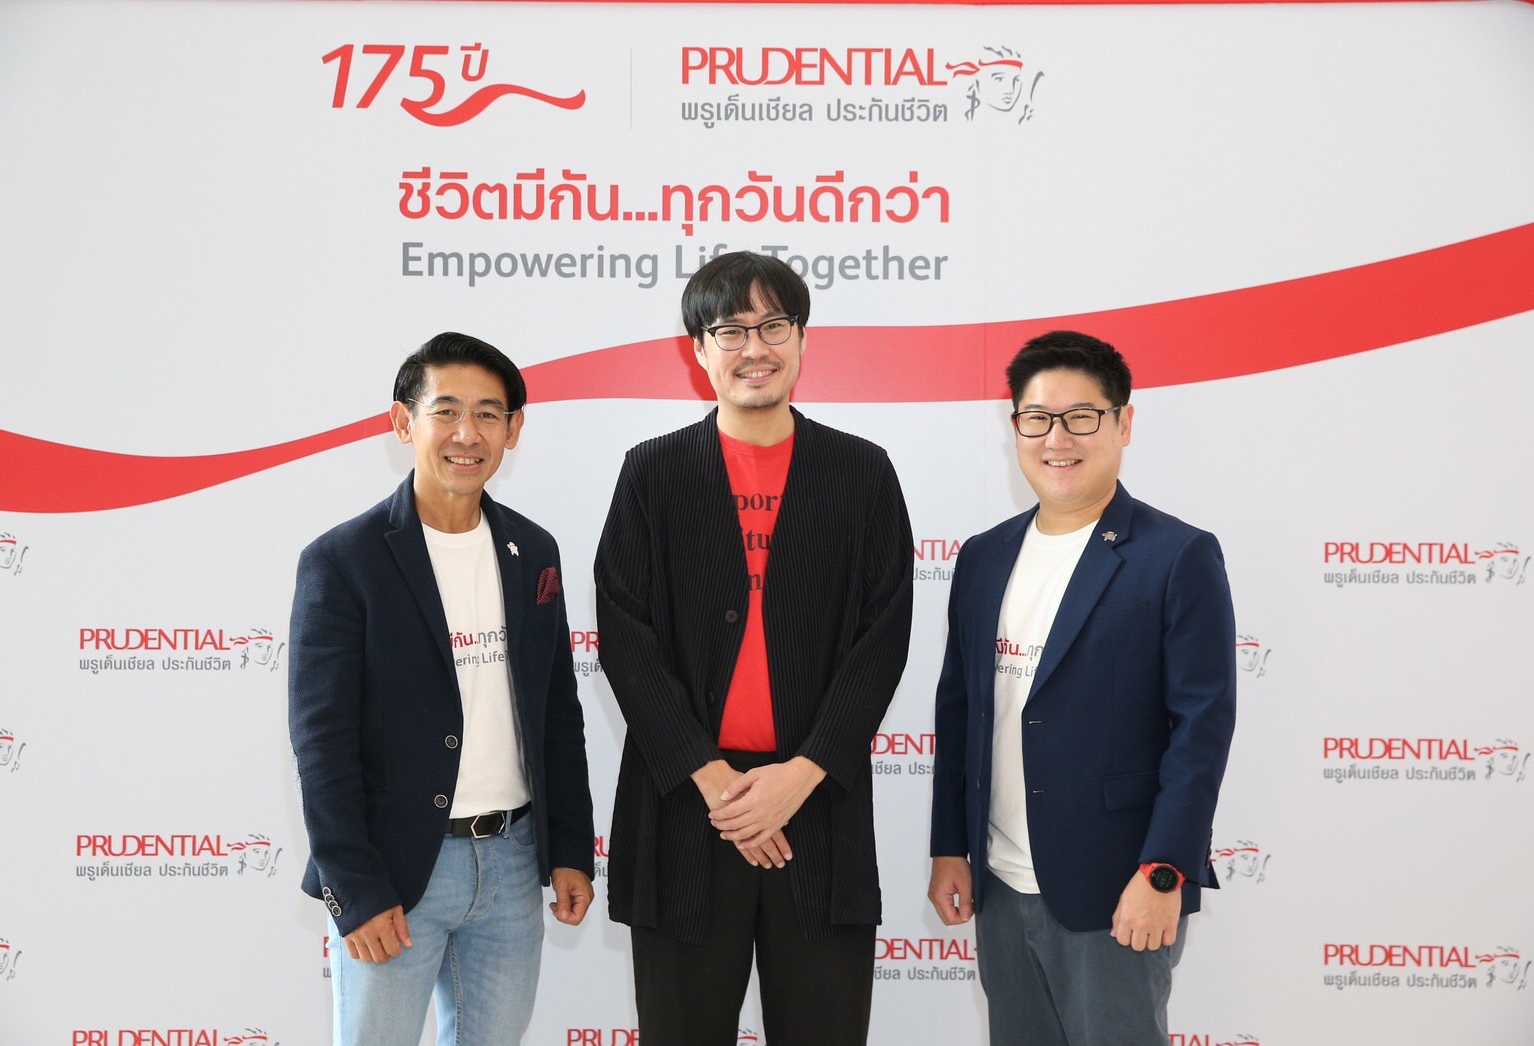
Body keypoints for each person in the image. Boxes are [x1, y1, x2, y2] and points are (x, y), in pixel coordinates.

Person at [595, 251, 913, 1046]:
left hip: (818, 809)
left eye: (774, 326)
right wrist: (719, 787)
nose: (754, 348)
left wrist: (798, 777)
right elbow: (626, 641)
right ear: (698, 351)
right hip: (686, 811)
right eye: (730, 331)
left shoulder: (862, 473)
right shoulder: (653, 474)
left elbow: (883, 641)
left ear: (803, 340)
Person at [928, 330, 1235, 1046]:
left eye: (1081, 416)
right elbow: (961, 709)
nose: (1056, 438)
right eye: (1037, 418)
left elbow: (1201, 731)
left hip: (1118, 888)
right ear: (1015, 429)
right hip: (1001, 885)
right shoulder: (983, 557)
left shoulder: (1176, 555)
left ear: (1123, 424)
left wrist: (1164, 872)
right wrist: (949, 846)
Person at [289, 332, 595, 1046]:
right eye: (447, 411)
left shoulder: (534, 551)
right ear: (404, 422)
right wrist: (354, 888)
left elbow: (557, 713)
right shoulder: (344, 561)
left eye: (489, 414)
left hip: (513, 862)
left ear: (513, 430)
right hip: (394, 873)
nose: (467, 433)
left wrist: (570, 848)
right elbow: (321, 743)